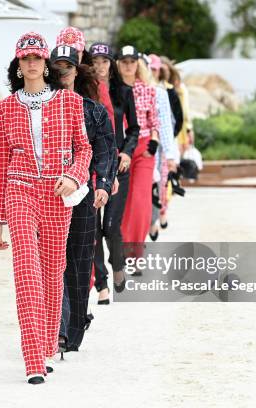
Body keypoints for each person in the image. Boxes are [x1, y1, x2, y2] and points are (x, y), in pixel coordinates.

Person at [0, 32, 92, 384]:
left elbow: (84, 150)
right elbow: (0, 162)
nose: (32, 63)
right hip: (20, 190)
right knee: (26, 271)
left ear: (45, 63)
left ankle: (49, 343)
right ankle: (33, 359)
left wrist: (75, 177)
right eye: (25, 58)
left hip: (56, 191)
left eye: (37, 57)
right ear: (17, 65)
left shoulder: (69, 102)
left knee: (52, 272)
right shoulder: (3, 108)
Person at [50, 44, 117, 353]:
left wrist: (103, 183)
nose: (62, 71)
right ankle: (59, 329)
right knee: (53, 264)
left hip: (83, 196)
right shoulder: (38, 109)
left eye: (68, 66)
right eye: (57, 66)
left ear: (77, 71)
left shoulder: (93, 110)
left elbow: (105, 151)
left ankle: (74, 327)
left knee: (79, 265)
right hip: (47, 195)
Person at [89, 42, 140, 302]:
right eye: (95, 61)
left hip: (118, 165)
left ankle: (117, 263)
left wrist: (128, 152)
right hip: (93, 165)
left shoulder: (124, 91)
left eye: (104, 61)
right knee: (93, 229)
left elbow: (134, 128)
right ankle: (101, 284)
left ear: (112, 65)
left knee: (110, 227)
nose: (99, 66)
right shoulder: (85, 92)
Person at [117, 46, 160, 272]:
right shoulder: (112, 90)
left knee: (140, 198)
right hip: (121, 148)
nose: (128, 65)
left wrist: (153, 144)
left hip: (143, 149)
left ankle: (136, 252)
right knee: (122, 200)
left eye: (131, 61)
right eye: (123, 61)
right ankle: (122, 247)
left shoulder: (148, 90)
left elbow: (154, 121)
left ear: (137, 63)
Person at [148, 54, 180, 238]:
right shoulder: (133, 90)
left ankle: (154, 220)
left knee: (158, 186)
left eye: (154, 69)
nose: (151, 72)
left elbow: (170, 123)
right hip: (139, 150)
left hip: (159, 150)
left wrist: (171, 154)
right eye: (149, 68)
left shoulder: (165, 92)